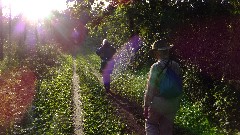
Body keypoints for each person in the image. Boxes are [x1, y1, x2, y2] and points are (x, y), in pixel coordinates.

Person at [143, 39, 182, 135]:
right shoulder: (176, 65)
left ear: (157, 53)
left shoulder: (156, 67)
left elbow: (150, 88)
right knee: (167, 129)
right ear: (167, 51)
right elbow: (180, 85)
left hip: (158, 102)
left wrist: (146, 105)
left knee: (151, 124)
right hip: (173, 101)